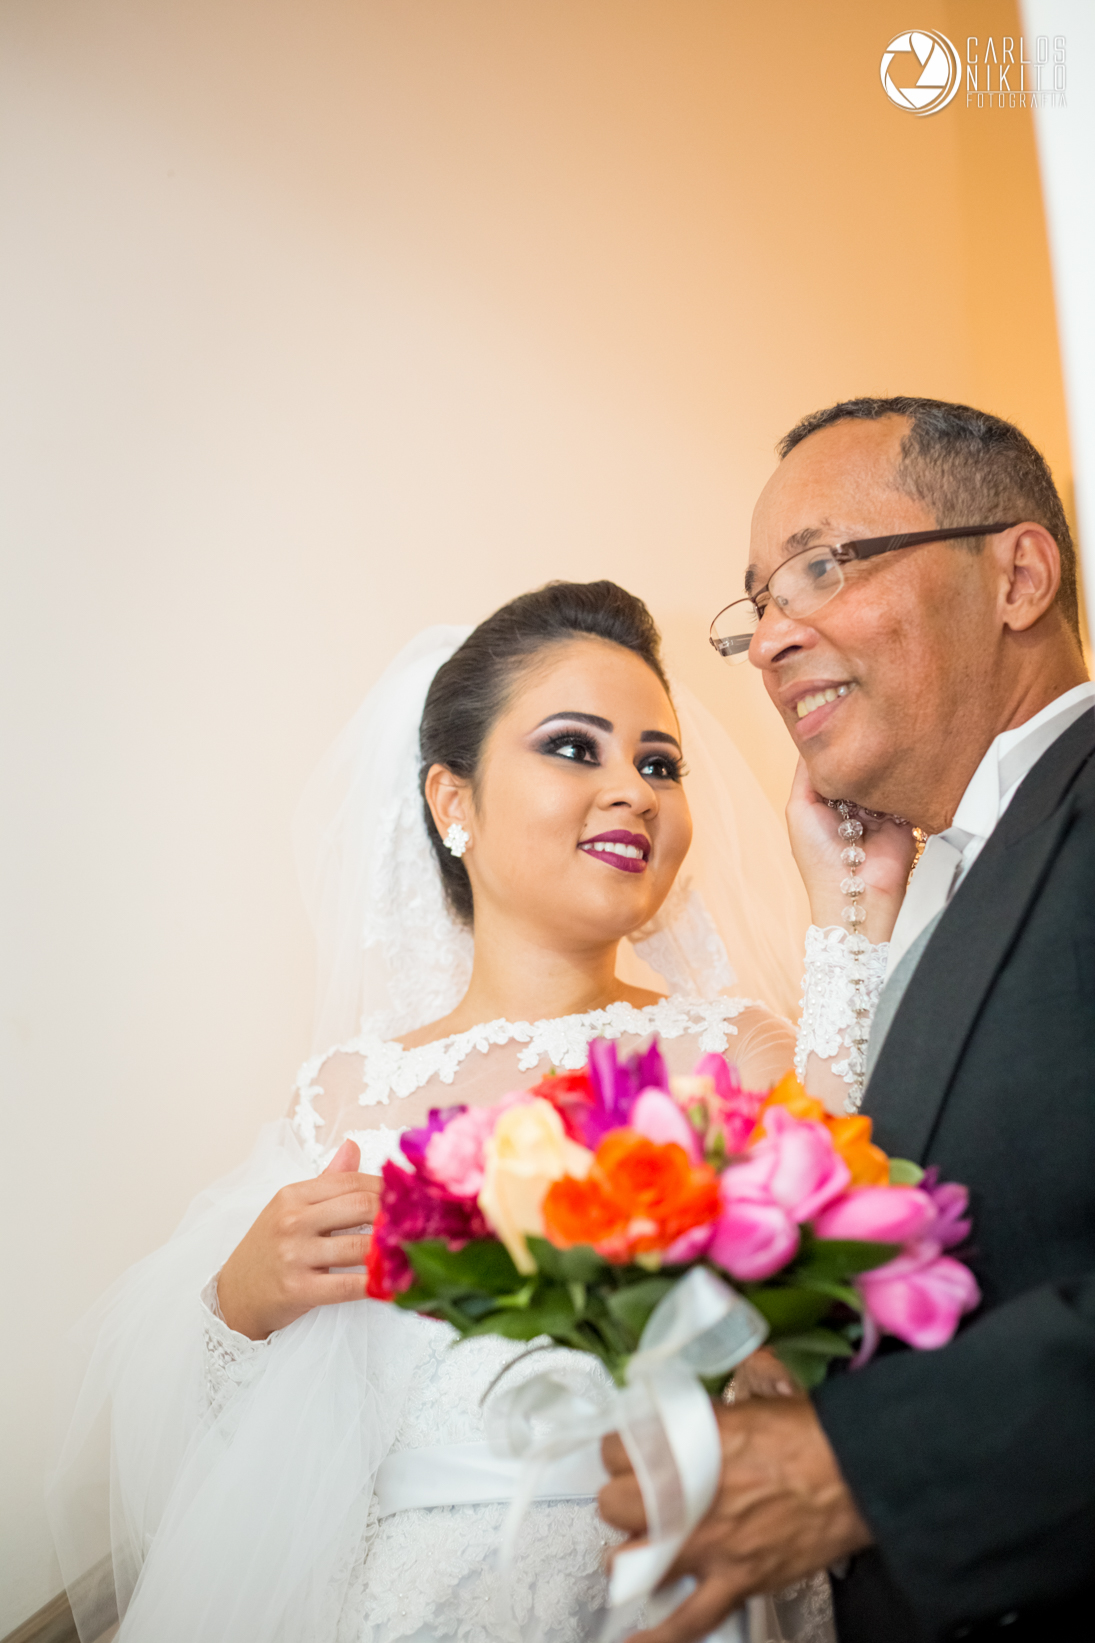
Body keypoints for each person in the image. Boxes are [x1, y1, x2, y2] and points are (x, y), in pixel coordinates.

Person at [49, 579, 818, 1643]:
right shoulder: (347, 1094)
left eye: (658, 764)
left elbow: (845, 1318)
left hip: (668, 1590)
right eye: (574, 747)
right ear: (453, 801)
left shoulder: (739, 1051)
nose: (634, 792)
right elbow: (252, 1460)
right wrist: (240, 1304)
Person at [599, 397, 1095, 1642]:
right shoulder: (943, 882)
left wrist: (861, 1467)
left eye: (823, 565)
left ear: (1018, 576)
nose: (771, 638)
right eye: (759, 602)